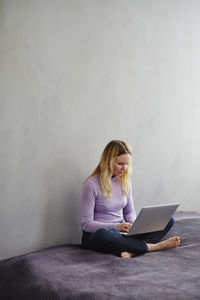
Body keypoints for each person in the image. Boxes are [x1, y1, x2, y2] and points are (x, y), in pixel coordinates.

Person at [80, 140, 180, 258]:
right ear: (108, 161)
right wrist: (116, 227)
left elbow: (129, 212)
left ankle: (132, 250)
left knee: (168, 220)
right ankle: (152, 247)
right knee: (104, 234)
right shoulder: (91, 185)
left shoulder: (124, 181)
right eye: (120, 163)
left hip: (121, 233)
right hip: (97, 236)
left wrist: (134, 224)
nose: (124, 168)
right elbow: (86, 224)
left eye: (127, 164)